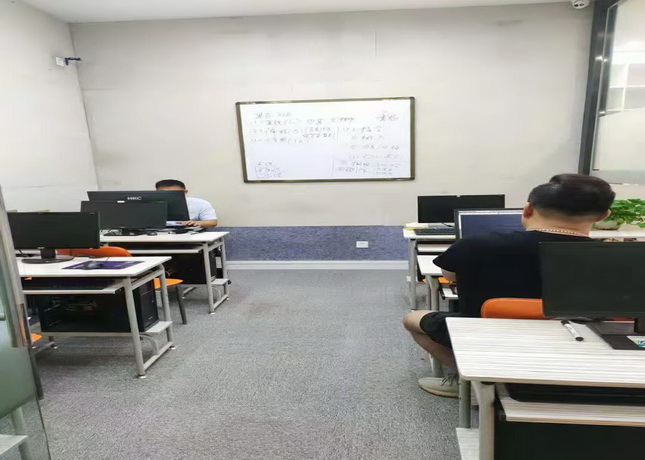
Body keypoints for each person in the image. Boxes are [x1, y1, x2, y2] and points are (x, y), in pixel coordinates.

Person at [403, 174, 615, 398]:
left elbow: (449, 275)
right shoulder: (617, 257)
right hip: (579, 340)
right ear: (604, 215)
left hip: (484, 336)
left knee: (412, 318)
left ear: (527, 210)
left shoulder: (476, 245)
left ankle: (476, 382)